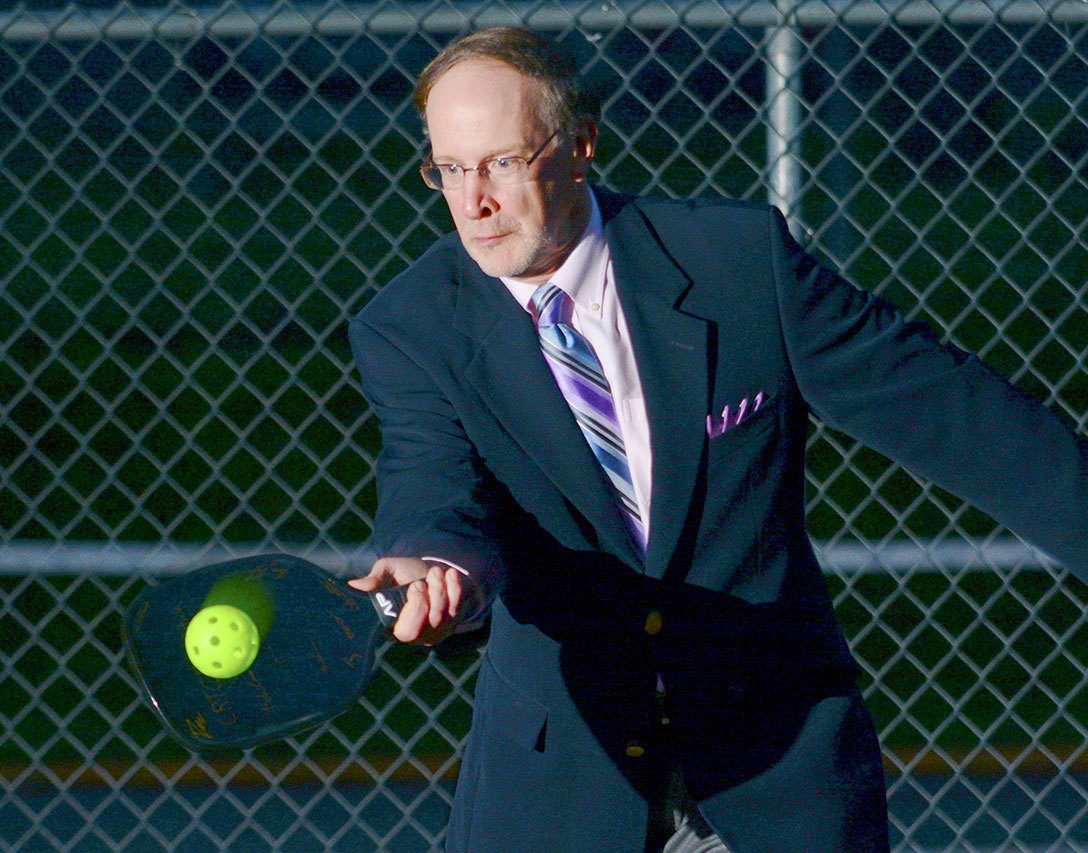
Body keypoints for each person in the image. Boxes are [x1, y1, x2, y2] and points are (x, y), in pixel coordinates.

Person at [346, 25, 1088, 852]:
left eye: (503, 162)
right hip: (557, 792)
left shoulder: (740, 264)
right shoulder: (410, 326)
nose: (472, 200)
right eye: (449, 168)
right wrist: (433, 560)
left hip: (776, 774)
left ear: (580, 145)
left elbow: (962, 418)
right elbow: (434, 479)